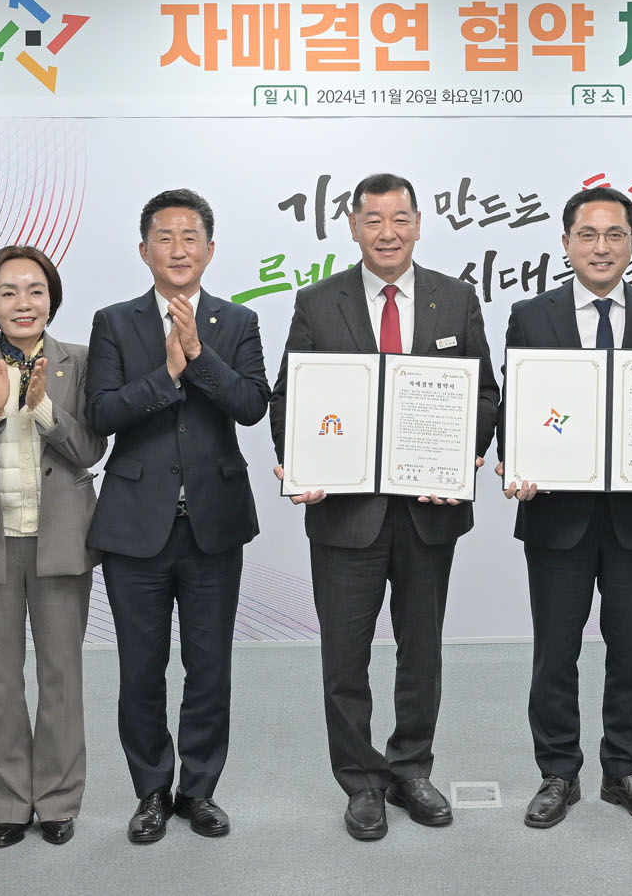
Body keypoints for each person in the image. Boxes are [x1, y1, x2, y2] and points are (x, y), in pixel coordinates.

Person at [268, 173, 499, 841]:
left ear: (419, 223)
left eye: (400, 219)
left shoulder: (456, 298)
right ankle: (361, 781)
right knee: (345, 657)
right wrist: (300, 461)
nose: (388, 233)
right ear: (353, 227)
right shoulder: (318, 302)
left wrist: (465, 454)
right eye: (374, 220)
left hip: (429, 509)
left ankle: (411, 768)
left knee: (421, 651)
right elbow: (289, 397)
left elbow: (485, 392)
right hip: (346, 512)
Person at [497, 186, 632, 829]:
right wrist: (515, 460)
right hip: (556, 515)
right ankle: (558, 772)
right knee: (555, 652)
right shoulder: (532, 314)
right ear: (566, 243)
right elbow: (517, 404)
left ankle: (625, 770)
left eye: (614, 235)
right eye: (588, 234)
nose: (601, 247)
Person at [83, 189, 268, 844]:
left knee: (209, 667)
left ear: (210, 250)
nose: (179, 249)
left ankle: (199, 789)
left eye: (191, 237)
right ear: (144, 250)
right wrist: (166, 372)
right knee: (141, 669)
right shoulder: (115, 322)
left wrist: (200, 355)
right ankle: (151, 791)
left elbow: (252, 405)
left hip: (213, 524)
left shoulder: (238, 322)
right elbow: (100, 413)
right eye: (165, 237)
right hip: (135, 526)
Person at [0, 246, 107, 848]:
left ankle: (57, 800)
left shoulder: (78, 362)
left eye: (35, 290)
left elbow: (90, 450)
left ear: (51, 298)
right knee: (1, 681)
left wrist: (44, 410)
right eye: (8, 292)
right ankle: (9, 803)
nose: (23, 303)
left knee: (61, 677)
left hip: (60, 541)